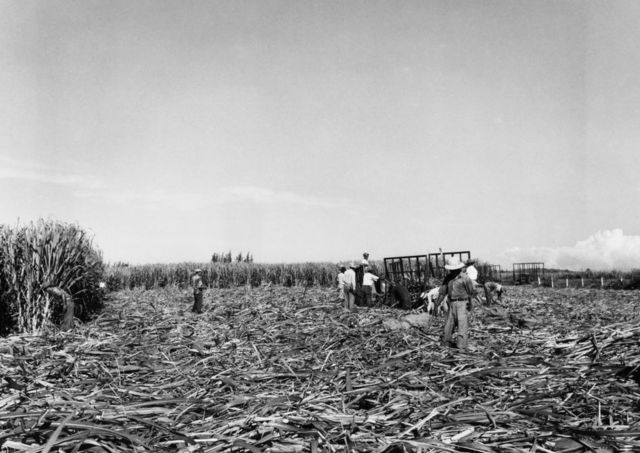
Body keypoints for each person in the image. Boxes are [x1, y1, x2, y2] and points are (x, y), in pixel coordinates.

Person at [436, 256, 477, 350]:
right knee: (448, 325)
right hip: (451, 303)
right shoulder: (448, 278)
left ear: (459, 268)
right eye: (451, 270)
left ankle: (461, 347)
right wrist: (437, 305)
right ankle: (445, 343)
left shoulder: (465, 278)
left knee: (462, 326)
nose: (452, 271)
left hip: (462, 304)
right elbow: (442, 292)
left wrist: (470, 306)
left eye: (454, 269)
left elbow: (471, 292)